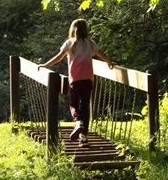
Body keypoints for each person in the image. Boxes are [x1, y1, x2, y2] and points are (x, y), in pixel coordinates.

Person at [38, 18, 115, 147]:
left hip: (75, 80)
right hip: (88, 79)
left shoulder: (70, 43)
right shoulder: (90, 44)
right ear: (86, 30)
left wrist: (45, 65)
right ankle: (84, 137)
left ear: (72, 30)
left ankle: (78, 122)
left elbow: (58, 58)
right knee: (85, 106)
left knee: (73, 104)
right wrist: (109, 62)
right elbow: (101, 54)